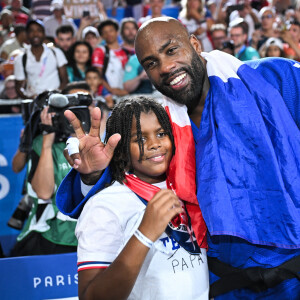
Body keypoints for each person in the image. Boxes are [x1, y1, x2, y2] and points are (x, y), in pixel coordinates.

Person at [57, 17, 300, 299]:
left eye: (172, 50)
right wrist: (93, 175)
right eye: (151, 63)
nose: (166, 67)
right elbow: (132, 187)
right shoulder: (162, 129)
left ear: (194, 44)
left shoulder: (272, 78)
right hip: (228, 285)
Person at [68, 96, 209, 299]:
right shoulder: (105, 205)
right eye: (140, 139)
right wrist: (144, 234)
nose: (154, 144)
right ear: (120, 152)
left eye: (161, 134)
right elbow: (91, 297)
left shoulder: (188, 189)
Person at [14, 19, 68, 99]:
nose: (35, 34)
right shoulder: (21, 58)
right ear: (27, 34)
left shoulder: (56, 53)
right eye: (31, 31)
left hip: (54, 100)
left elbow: (65, 80)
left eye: (39, 30)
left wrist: (56, 95)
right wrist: (28, 98)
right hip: (33, 102)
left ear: (44, 34)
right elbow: (19, 86)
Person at [92, 19, 129, 97]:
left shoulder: (126, 52)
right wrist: (112, 91)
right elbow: (98, 76)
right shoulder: (100, 51)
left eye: (111, 30)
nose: (108, 34)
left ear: (117, 32)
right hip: (109, 96)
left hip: (126, 93)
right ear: (101, 36)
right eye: (104, 32)